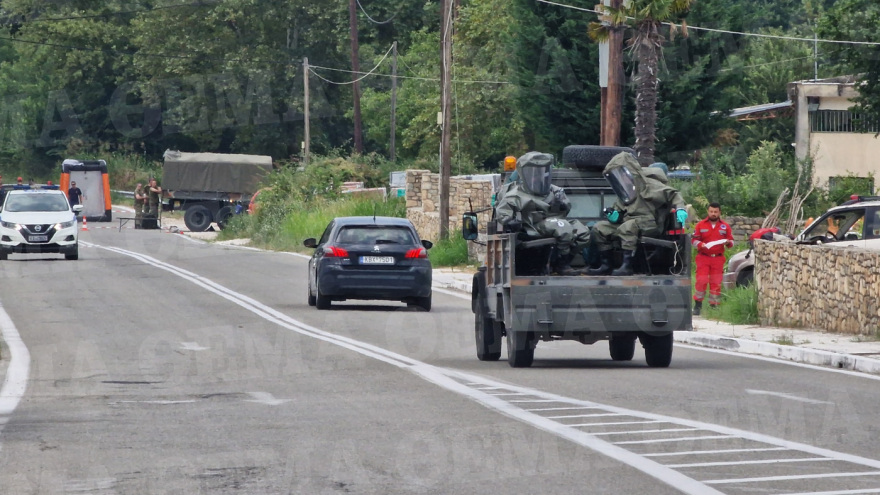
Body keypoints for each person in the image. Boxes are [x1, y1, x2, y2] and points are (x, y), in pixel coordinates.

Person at [588, 153, 688, 276]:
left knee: (628, 226)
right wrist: (615, 215)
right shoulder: (625, 190)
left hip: (650, 223)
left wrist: (680, 209)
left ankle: (627, 266)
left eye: (622, 174)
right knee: (600, 228)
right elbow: (620, 210)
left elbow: (674, 194)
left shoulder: (650, 185)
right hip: (630, 222)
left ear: (630, 172)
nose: (621, 178)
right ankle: (606, 265)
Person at [495, 151, 591, 275]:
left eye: (541, 173)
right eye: (533, 174)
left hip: (557, 221)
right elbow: (502, 213)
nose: (537, 177)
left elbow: (567, 209)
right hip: (534, 226)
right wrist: (510, 221)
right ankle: (562, 266)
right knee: (563, 228)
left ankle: (560, 260)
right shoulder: (515, 194)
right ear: (524, 175)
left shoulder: (555, 190)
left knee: (583, 233)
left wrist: (562, 204)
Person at [692, 202, 734, 315]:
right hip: (703, 257)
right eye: (711, 211)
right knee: (701, 281)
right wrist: (700, 244)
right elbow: (693, 240)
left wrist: (728, 242)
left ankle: (714, 306)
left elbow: (731, 241)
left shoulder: (725, 226)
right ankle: (697, 305)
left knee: (716, 282)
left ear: (719, 212)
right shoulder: (700, 225)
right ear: (708, 212)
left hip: (718, 258)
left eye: (715, 212)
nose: (713, 214)